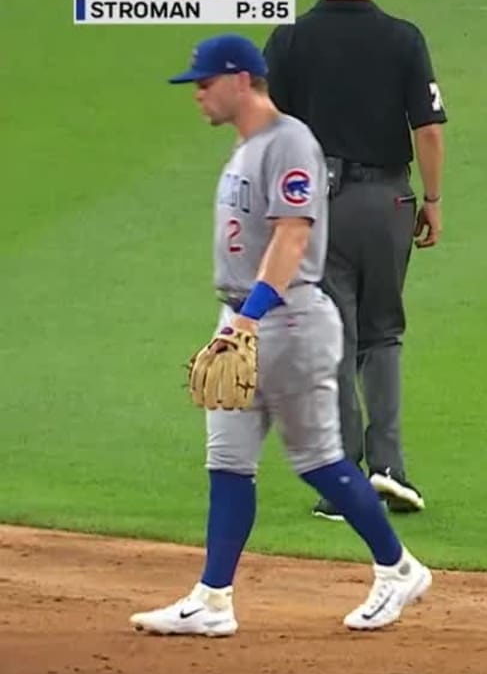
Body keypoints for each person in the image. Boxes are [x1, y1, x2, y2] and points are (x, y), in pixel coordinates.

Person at [130, 33, 432, 637]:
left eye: (205, 83)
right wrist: (236, 321)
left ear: (241, 80)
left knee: (318, 459)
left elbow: (293, 236)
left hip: (287, 318)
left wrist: (248, 319)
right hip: (244, 318)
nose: (198, 95)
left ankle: (398, 569)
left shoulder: (289, 141)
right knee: (227, 460)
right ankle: (213, 599)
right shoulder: (247, 149)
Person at [261, 0, 448, 520]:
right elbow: (430, 129)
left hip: (314, 206)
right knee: (382, 334)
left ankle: (342, 481)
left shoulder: (290, 39)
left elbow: (269, 131)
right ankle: (389, 467)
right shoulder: (402, 39)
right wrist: (434, 198)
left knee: (332, 339)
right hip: (388, 201)